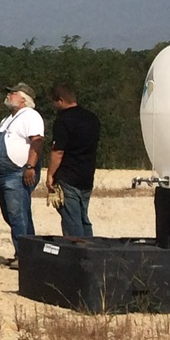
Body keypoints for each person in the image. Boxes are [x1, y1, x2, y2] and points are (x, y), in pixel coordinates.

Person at [0, 84, 45, 252]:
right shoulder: (7, 120)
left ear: (24, 99)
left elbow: (37, 141)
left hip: (17, 173)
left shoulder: (30, 116)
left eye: (13, 93)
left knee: (18, 216)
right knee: (11, 215)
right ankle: (26, 252)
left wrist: (30, 166)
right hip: (1, 175)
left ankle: (25, 254)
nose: (8, 95)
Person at [47, 82, 101, 239]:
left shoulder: (63, 120)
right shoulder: (92, 118)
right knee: (84, 218)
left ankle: (76, 254)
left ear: (60, 100)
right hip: (87, 175)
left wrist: (50, 175)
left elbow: (58, 151)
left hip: (68, 176)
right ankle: (90, 251)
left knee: (72, 220)